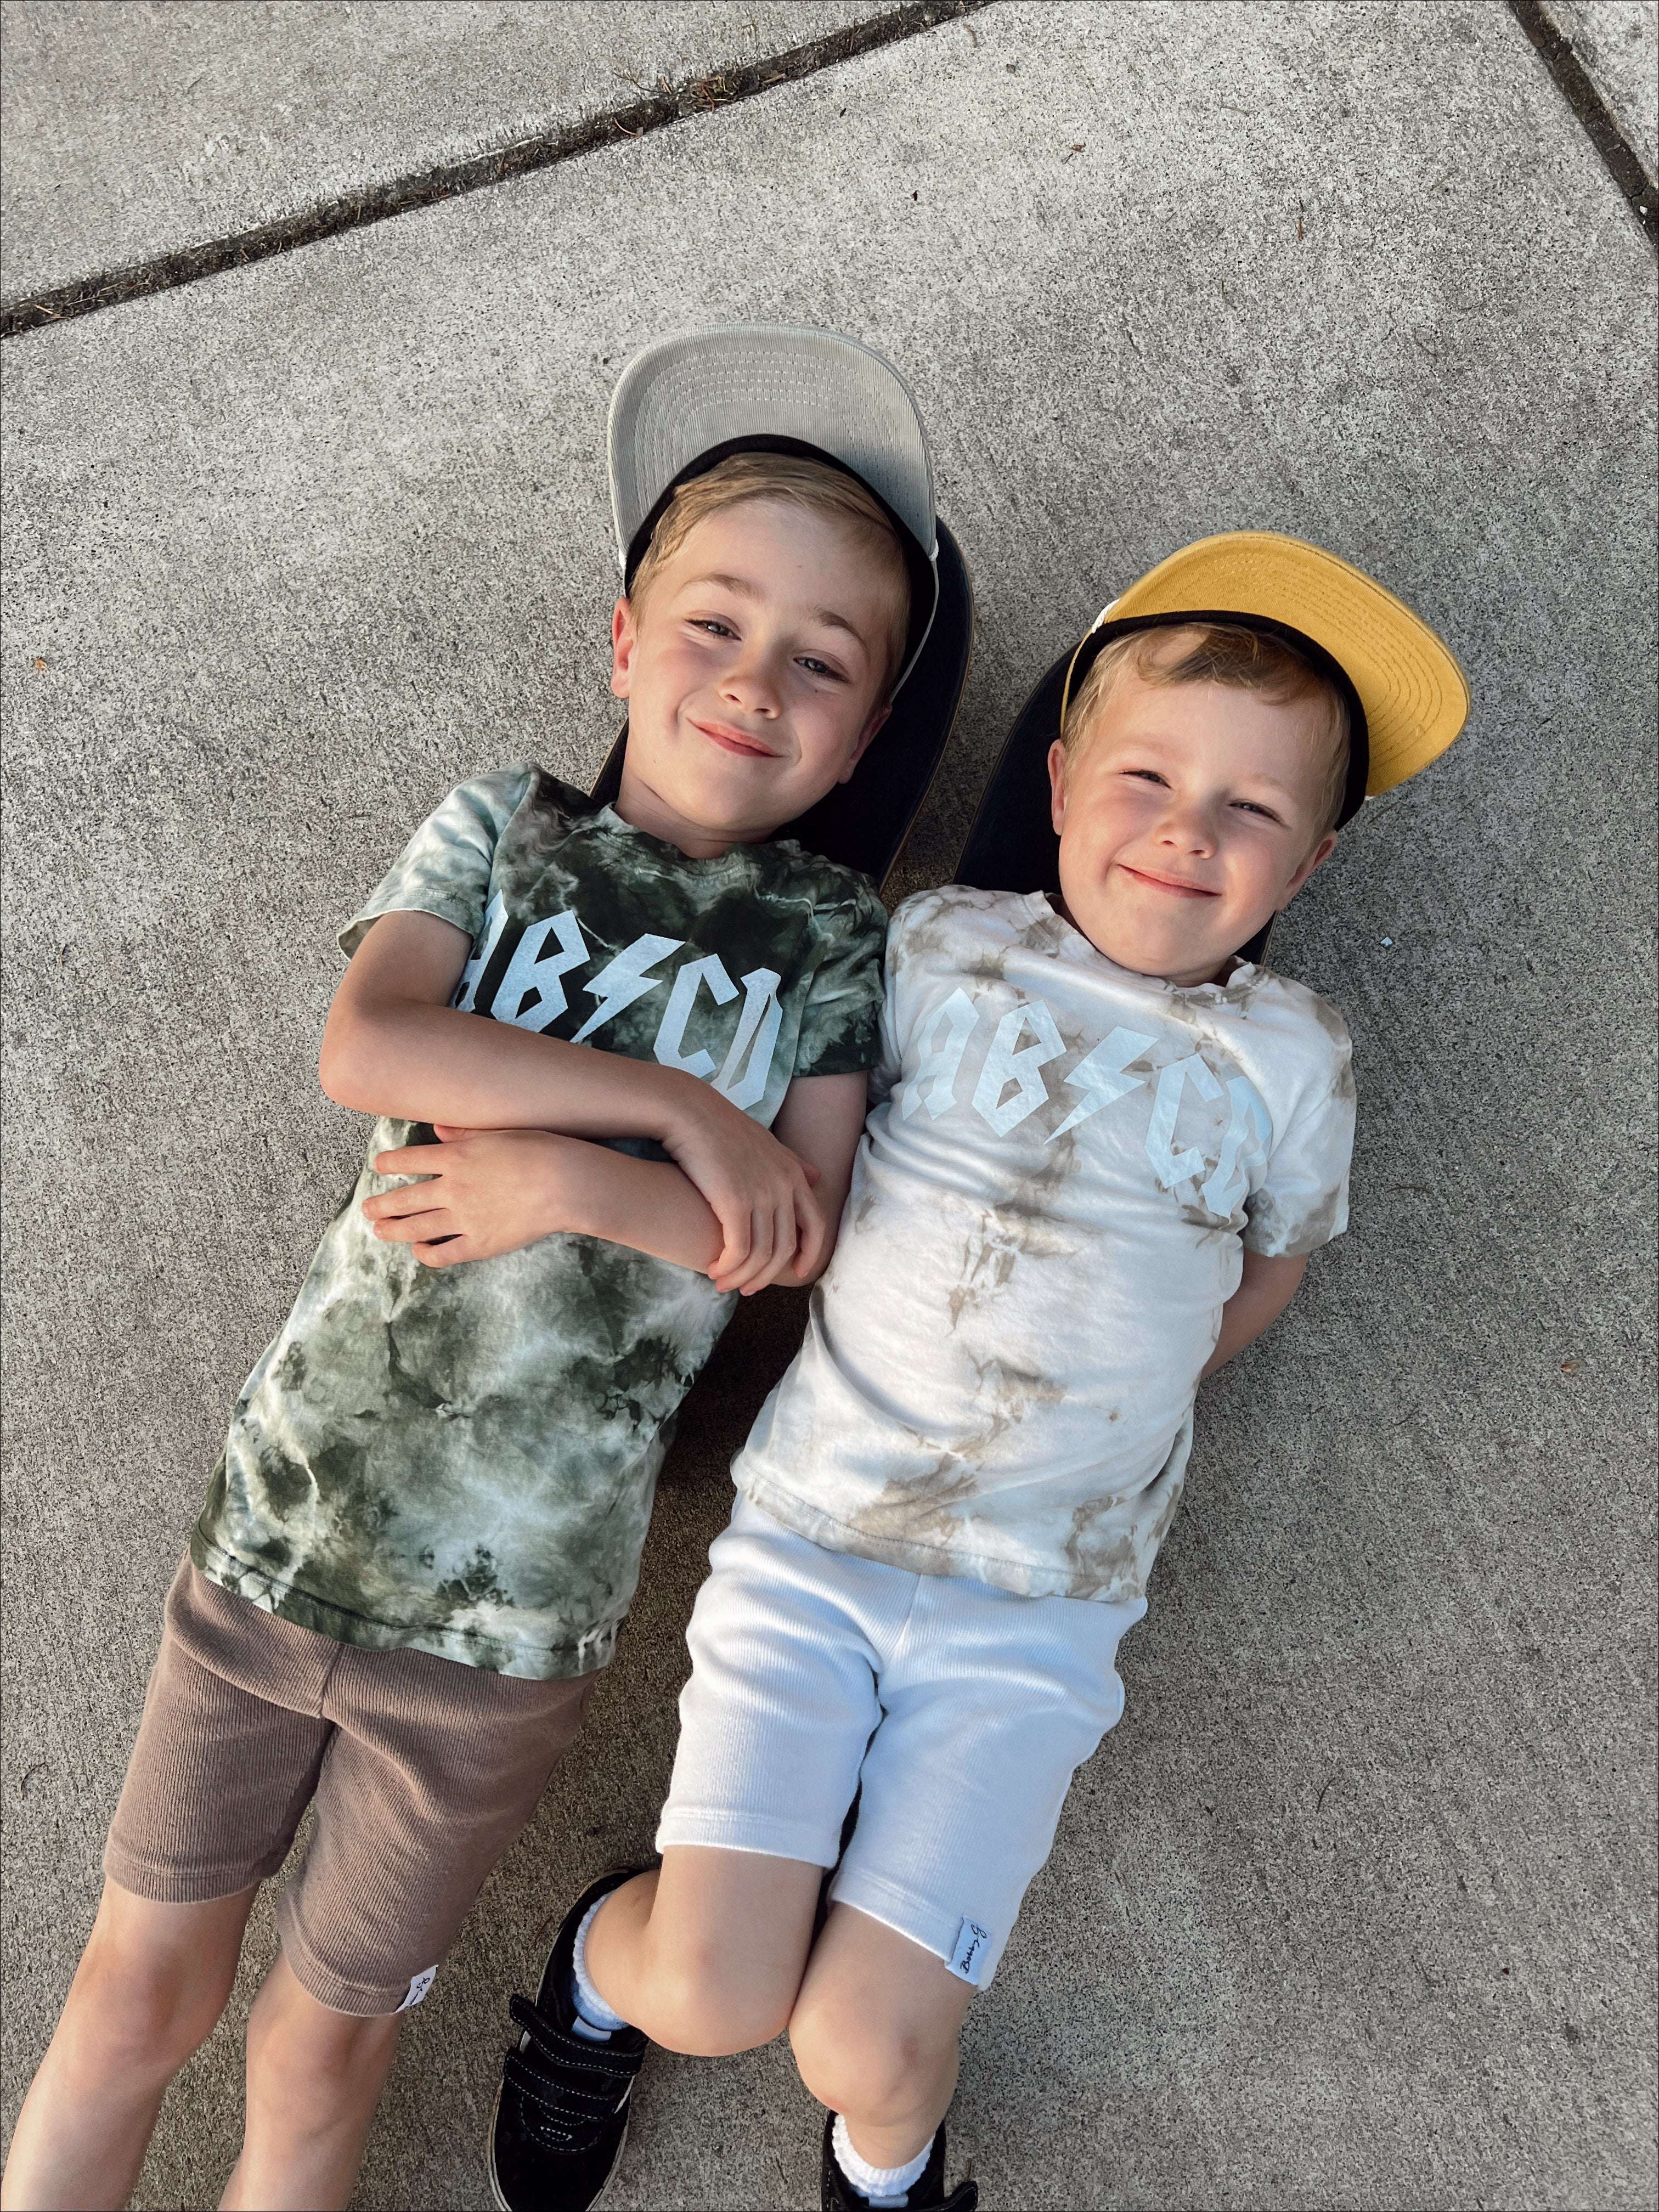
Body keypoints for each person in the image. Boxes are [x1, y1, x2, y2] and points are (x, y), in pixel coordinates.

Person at [0, 324, 941, 2212]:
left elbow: (794, 1237)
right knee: (135, 1996)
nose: (755, 682)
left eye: (820, 663)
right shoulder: (506, 824)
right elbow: (375, 1046)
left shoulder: (838, 936)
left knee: (315, 2051)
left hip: (505, 1638)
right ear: (620, 643)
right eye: (713, 624)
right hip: (282, 1534)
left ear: (866, 726)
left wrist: (574, 1188)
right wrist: (663, 1117)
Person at [488, 535, 1468, 2212]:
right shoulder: (939, 949)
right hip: (817, 1540)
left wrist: (1149, 1378)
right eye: (1150, 777)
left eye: (1249, 813)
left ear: (1305, 864)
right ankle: (601, 1962)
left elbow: (1277, 1259)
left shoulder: (1294, 1061)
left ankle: (893, 2174)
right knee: (719, 1991)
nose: (1184, 831)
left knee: (862, 2048)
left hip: (1041, 1606)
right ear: (1067, 781)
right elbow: (813, 1166)